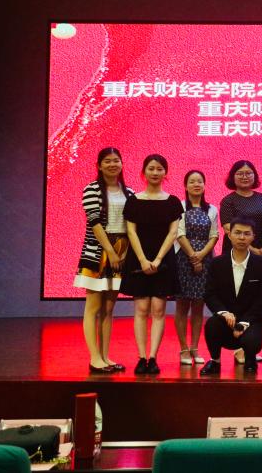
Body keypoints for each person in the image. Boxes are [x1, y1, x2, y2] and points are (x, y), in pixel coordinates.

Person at [120, 154, 183, 375]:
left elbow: (173, 233)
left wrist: (157, 260)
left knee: (158, 309)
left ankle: (153, 357)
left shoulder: (173, 201)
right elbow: (131, 231)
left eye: (159, 169)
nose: (155, 172)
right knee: (141, 309)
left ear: (165, 173)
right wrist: (142, 260)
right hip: (138, 259)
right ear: (144, 172)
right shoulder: (133, 200)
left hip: (163, 261)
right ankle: (141, 357)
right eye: (151, 168)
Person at [74, 147, 133, 373]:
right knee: (93, 307)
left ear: (122, 164)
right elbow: (95, 223)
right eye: (107, 161)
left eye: (116, 160)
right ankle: (94, 358)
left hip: (122, 252)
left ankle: (105, 357)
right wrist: (111, 250)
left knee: (109, 309)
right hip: (98, 252)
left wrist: (124, 253)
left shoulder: (129, 192)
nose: (112, 164)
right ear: (99, 165)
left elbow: (131, 225)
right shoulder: (91, 190)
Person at [198, 218, 262, 376]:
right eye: (237, 233)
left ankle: (250, 359)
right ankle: (215, 361)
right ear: (229, 235)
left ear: (253, 237)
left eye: (247, 234)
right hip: (225, 320)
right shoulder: (217, 263)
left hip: (250, 320)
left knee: (251, 340)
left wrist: (245, 322)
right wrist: (224, 313)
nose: (242, 237)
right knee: (212, 325)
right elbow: (210, 294)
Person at [174, 170, 219, 367]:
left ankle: (195, 347)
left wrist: (201, 256)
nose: (196, 184)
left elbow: (214, 235)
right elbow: (179, 233)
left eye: (200, 181)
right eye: (192, 181)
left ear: (204, 185)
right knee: (182, 305)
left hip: (206, 259)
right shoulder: (180, 207)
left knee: (199, 305)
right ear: (185, 186)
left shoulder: (212, 209)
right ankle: (183, 348)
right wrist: (193, 256)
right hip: (183, 259)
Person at [219, 160, 262, 260]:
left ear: (254, 176)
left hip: (261, 249)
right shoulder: (228, 201)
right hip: (236, 250)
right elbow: (228, 229)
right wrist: (252, 250)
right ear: (233, 177)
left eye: (248, 173)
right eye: (240, 174)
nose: (244, 177)